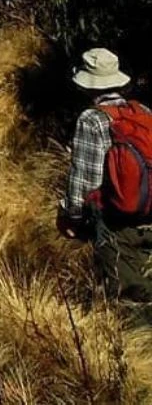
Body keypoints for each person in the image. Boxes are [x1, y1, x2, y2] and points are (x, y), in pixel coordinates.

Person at [57, 48, 152, 303]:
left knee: (131, 302)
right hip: (149, 215)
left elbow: (86, 180)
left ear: (87, 87)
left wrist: (71, 216)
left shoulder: (92, 119)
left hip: (117, 223)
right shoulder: (142, 112)